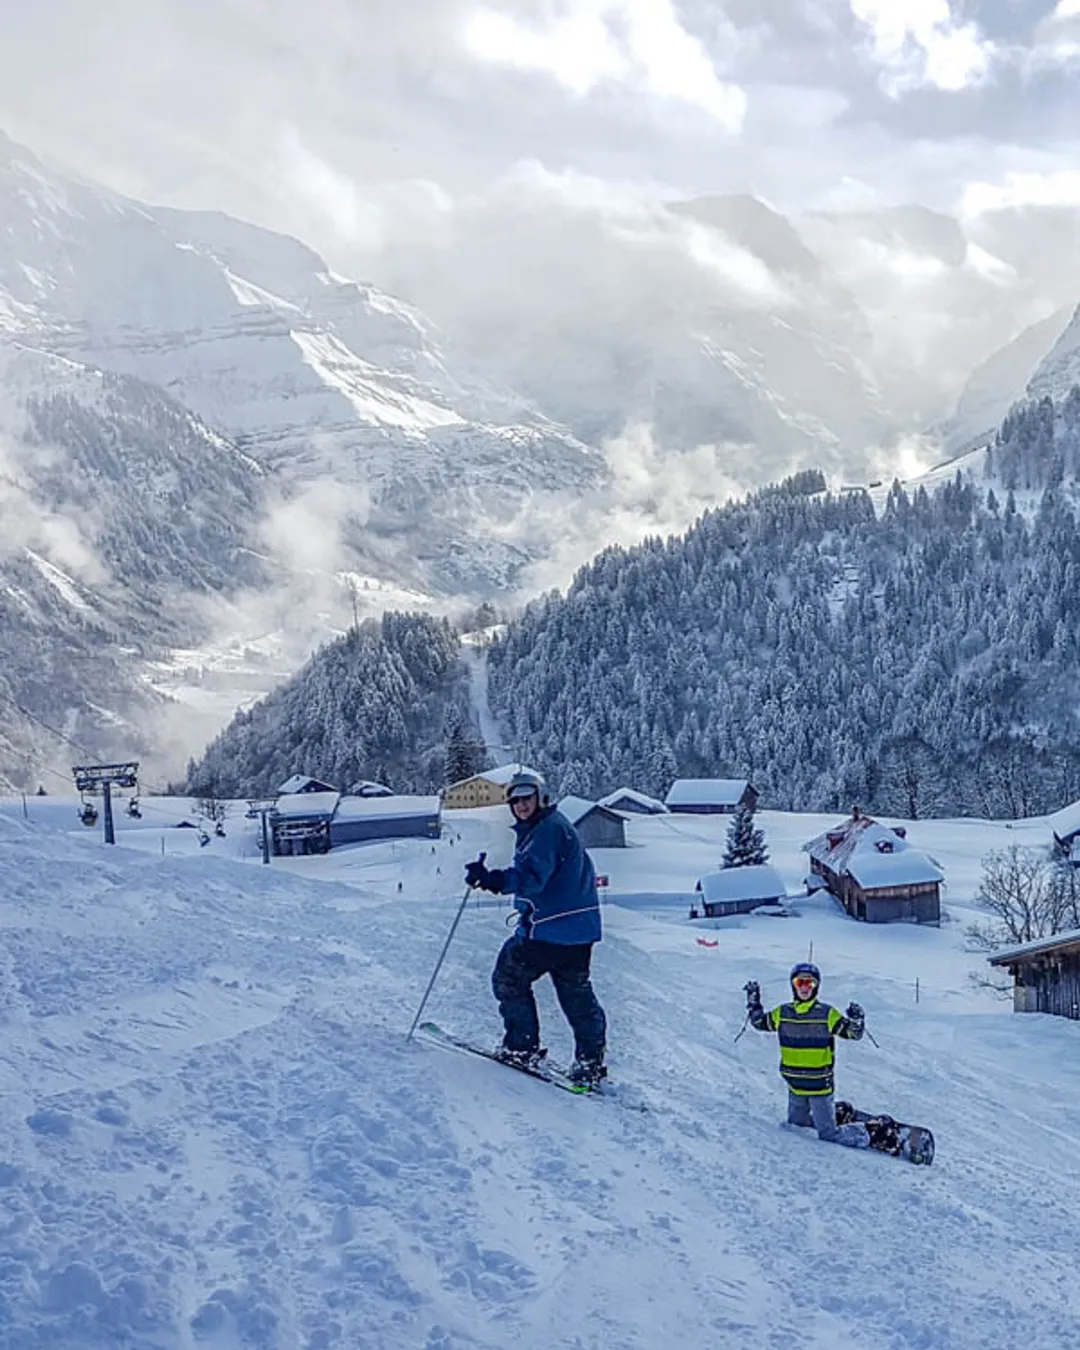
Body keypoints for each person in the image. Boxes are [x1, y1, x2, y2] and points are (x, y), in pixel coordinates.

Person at [464, 770, 607, 1087]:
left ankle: (521, 1048)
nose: (521, 806)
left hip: (549, 929)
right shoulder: (553, 827)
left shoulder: (546, 831)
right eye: (514, 800)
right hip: (579, 930)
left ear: (540, 797)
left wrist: (493, 879)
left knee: (509, 977)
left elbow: (531, 878)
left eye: (526, 798)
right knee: (576, 994)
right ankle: (590, 1062)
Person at [745, 962, 873, 1149]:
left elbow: (853, 1034)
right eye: (800, 983)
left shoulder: (826, 1014)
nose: (805, 988)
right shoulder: (783, 1013)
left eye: (810, 983)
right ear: (793, 985)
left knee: (828, 1136)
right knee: (796, 1127)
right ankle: (835, 1113)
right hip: (795, 1086)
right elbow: (759, 1023)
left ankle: (865, 1132)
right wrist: (753, 1003)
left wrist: (856, 1021)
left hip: (819, 1087)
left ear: (816, 987)